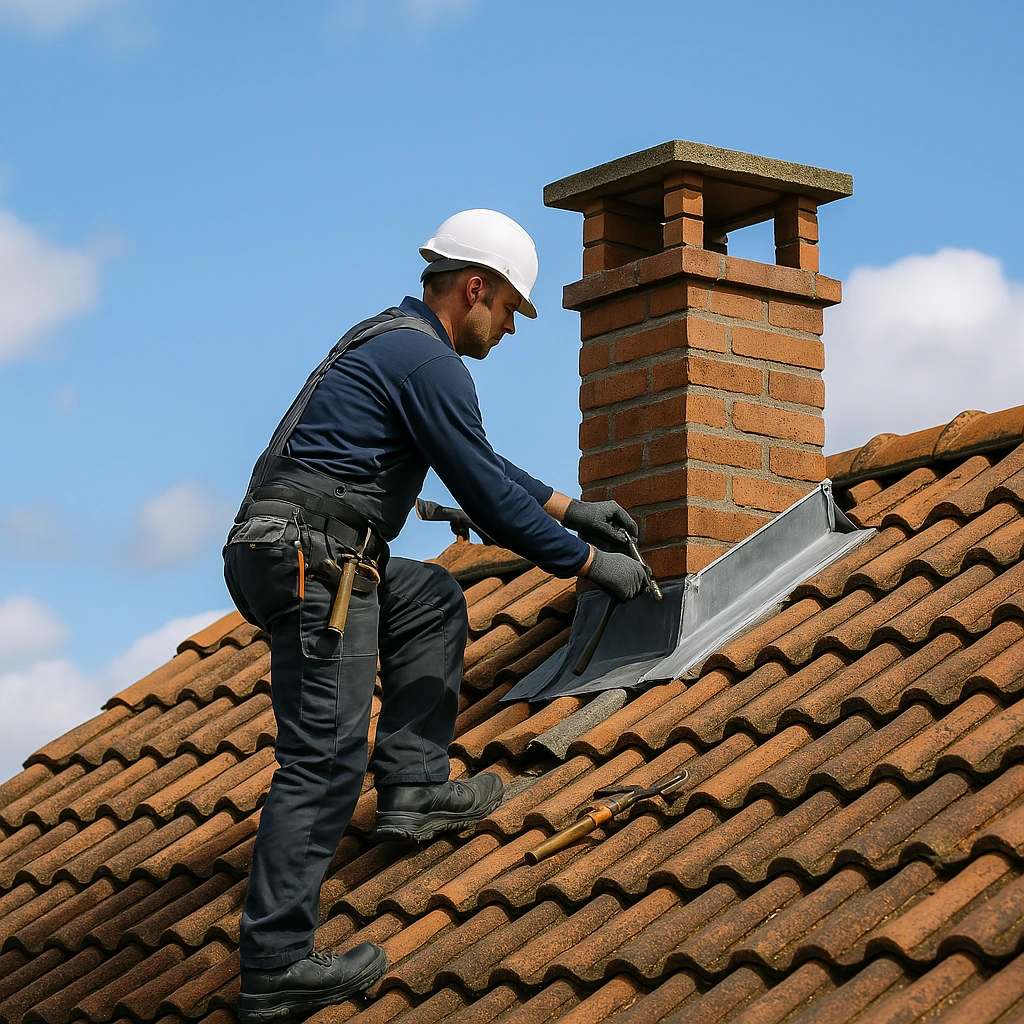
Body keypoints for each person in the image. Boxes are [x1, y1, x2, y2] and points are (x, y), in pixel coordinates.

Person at [223, 209, 648, 1020]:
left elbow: (475, 461)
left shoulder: (395, 341)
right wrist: (590, 564)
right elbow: (484, 498)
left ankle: (414, 788)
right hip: (316, 557)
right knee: (324, 756)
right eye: (511, 312)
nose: (511, 331)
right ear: (475, 288)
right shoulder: (430, 361)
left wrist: (571, 506)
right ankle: (275, 965)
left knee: (428, 597)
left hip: (292, 545)